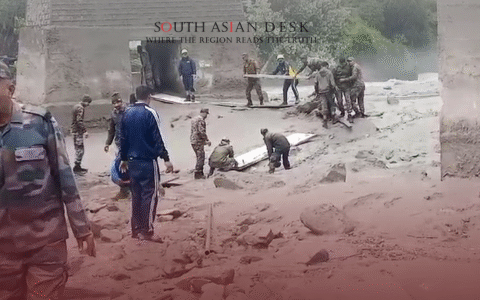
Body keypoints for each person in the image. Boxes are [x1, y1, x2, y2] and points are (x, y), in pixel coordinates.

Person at [0, 61, 96, 299]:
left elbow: (65, 177)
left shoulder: (39, 122)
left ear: (10, 89)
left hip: (44, 241)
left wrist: (81, 228)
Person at [119, 85, 174, 242]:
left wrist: (123, 159)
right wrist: (166, 158)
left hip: (132, 161)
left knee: (136, 194)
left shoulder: (126, 113)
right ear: (149, 96)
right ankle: (147, 230)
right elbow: (157, 138)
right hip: (148, 161)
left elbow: (123, 139)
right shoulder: (150, 113)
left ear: (136, 96)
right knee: (150, 195)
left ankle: (135, 229)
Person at [104, 92, 130, 200]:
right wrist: (107, 143)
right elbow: (111, 130)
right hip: (119, 144)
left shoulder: (129, 111)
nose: (116, 105)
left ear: (122, 101)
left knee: (131, 166)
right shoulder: (113, 114)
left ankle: (135, 190)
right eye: (114, 103)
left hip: (130, 144)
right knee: (121, 168)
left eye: (118, 102)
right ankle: (124, 191)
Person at [71, 94, 92, 174]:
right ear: (85, 101)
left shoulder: (76, 106)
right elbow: (79, 120)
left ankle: (77, 166)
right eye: (88, 103)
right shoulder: (80, 108)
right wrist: (85, 131)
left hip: (74, 130)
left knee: (77, 149)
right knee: (80, 150)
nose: (88, 105)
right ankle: (77, 166)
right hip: (77, 131)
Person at [314, 63, 338, 129]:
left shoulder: (318, 73)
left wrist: (317, 92)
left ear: (321, 66)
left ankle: (325, 120)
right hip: (328, 91)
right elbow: (332, 83)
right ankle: (333, 117)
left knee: (324, 105)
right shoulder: (329, 73)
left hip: (321, 91)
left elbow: (315, 84)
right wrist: (334, 91)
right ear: (326, 66)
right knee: (331, 104)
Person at [190, 108, 211, 179]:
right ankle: (198, 174)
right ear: (204, 113)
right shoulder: (201, 120)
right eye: (206, 114)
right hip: (198, 141)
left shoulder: (194, 119)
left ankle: (198, 172)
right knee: (201, 157)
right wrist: (207, 140)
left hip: (193, 140)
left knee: (198, 156)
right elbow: (201, 132)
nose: (206, 116)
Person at [333, 57, 354, 122]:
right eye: (341, 63)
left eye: (343, 63)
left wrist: (350, 84)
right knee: (339, 101)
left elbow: (352, 76)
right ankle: (342, 112)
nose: (342, 65)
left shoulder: (349, 67)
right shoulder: (336, 67)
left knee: (348, 100)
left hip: (347, 86)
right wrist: (335, 85)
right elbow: (333, 77)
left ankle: (349, 114)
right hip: (338, 86)